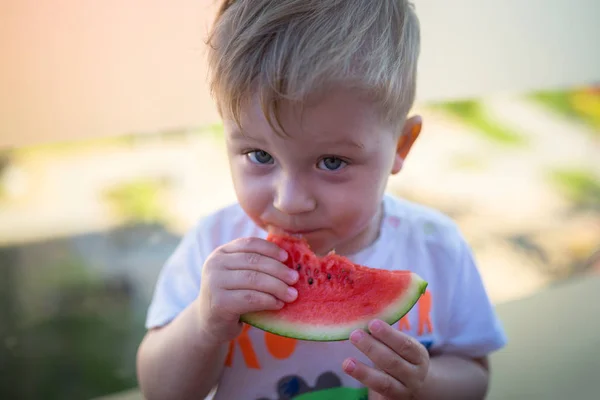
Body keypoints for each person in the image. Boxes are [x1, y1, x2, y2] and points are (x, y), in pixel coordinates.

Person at [136, 1, 507, 399]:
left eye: (332, 162)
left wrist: (425, 385)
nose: (290, 200)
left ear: (402, 145)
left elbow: (474, 375)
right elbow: (160, 391)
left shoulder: (437, 247)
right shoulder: (213, 246)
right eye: (260, 156)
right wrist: (204, 322)